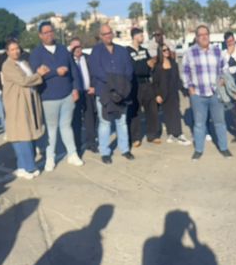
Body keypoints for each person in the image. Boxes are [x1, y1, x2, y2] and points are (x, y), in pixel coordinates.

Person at [31, 22, 84, 170]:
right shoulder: (36, 53)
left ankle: (72, 154)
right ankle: (50, 158)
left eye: (51, 31)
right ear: (40, 35)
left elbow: (73, 70)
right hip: (48, 97)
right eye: (45, 32)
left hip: (67, 95)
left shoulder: (62, 49)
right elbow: (36, 74)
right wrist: (56, 72)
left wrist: (76, 89)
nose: (49, 34)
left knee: (66, 126)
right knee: (51, 130)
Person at [182, 25, 235, 161]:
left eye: (206, 34)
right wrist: (190, 88)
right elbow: (185, 72)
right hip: (198, 95)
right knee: (199, 124)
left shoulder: (217, 51)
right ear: (196, 37)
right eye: (201, 35)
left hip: (216, 94)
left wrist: (223, 79)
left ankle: (224, 148)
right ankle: (198, 150)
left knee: (220, 122)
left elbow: (225, 68)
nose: (204, 37)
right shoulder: (190, 53)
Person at [1, 39, 50, 180]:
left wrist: (37, 75)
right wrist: (39, 74)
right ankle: (29, 167)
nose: (15, 51)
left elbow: (29, 78)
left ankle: (22, 166)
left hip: (29, 100)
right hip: (17, 103)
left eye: (17, 48)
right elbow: (23, 81)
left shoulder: (23, 62)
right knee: (22, 134)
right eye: (12, 49)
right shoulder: (8, 65)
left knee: (27, 133)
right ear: (7, 52)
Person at [89, 24, 137, 163]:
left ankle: (125, 149)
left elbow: (129, 70)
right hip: (104, 91)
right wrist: (113, 83)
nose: (108, 36)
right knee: (105, 122)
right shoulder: (96, 51)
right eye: (105, 34)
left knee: (122, 121)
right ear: (100, 36)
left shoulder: (122, 50)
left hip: (122, 91)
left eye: (109, 33)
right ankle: (105, 151)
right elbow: (96, 70)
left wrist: (121, 86)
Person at [144, 38, 186, 145]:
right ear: (160, 52)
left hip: (173, 92)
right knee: (167, 114)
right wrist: (157, 95)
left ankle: (179, 133)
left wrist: (183, 89)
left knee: (176, 112)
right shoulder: (157, 66)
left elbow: (177, 79)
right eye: (164, 50)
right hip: (163, 93)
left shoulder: (173, 64)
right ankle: (171, 133)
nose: (166, 51)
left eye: (167, 49)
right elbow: (155, 83)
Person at [70, 38, 98, 158]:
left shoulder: (87, 58)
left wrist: (94, 86)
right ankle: (77, 146)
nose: (78, 49)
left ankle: (91, 143)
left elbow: (95, 73)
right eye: (75, 47)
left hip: (88, 93)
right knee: (76, 121)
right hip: (75, 94)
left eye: (79, 47)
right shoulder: (69, 60)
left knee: (90, 119)